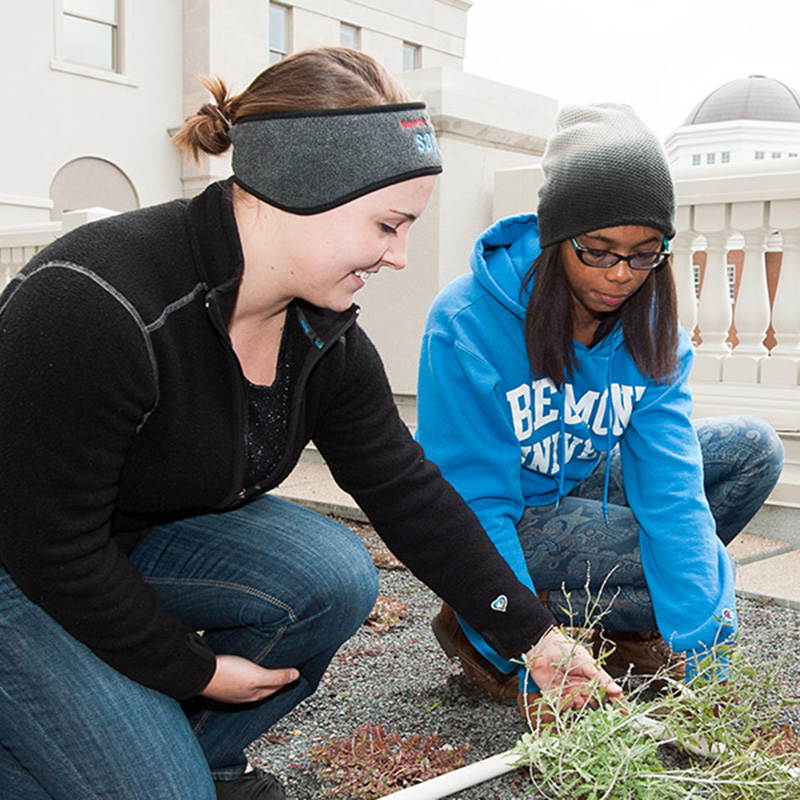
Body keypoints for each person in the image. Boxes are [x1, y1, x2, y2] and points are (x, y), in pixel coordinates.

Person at [0, 49, 622, 800]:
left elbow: (404, 489)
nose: (398, 256)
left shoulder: (320, 335)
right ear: (302, 185)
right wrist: (192, 670)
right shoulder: (97, 305)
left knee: (327, 576)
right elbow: (49, 548)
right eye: (389, 226)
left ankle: (200, 761)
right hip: (22, 565)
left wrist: (535, 639)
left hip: (115, 543)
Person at [417, 103, 784, 706]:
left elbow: (670, 484)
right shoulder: (466, 325)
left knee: (751, 452)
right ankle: (472, 621)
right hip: (500, 521)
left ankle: (628, 627)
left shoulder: (651, 320)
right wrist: (511, 627)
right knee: (683, 563)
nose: (622, 275)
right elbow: (476, 498)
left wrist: (706, 656)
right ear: (555, 235)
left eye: (646, 253)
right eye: (600, 250)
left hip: (579, 482)